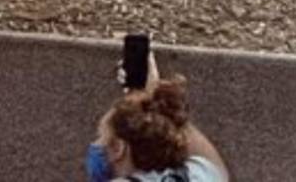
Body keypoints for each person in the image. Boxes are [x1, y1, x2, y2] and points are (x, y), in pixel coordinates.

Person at [86, 65, 228, 182]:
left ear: (118, 148)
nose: (97, 145)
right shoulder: (196, 175)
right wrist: (158, 102)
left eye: (101, 136)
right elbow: (216, 166)